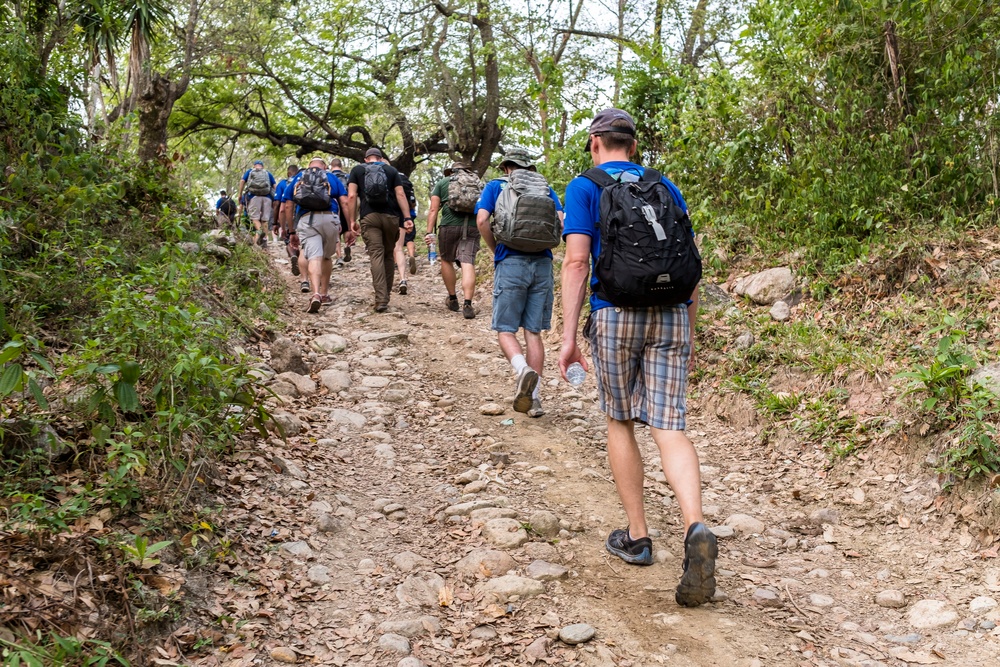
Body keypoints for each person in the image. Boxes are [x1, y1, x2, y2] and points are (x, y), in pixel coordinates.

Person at [558, 109, 716, 607]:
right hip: (671, 312)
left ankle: (638, 536)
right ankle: (695, 524)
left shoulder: (584, 186)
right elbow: (690, 261)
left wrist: (567, 336)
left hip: (616, 312)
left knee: (621, 420)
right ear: (633, 145)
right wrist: (687, 330)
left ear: (595, 143)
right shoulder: (664, 185)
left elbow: (578, 260)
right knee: (670, 425)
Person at [475, 147, 563, 417]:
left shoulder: (495, 186)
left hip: (510, 262)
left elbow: (481, 220)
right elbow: (561, 221)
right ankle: (534, 400)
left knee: (505, 328)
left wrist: (496, 250)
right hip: (542, 263)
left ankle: (522, 369)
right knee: (533, 332)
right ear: (530, 168)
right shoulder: (546, 189)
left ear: (506, 168)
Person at [346, 147, 413, 312]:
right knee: (389, 254)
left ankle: (381, 298)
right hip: (391, 218)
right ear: (381, 158)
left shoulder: (357, 170)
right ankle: (387, 295)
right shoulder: (391, 171)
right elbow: (401, 195)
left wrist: (352, 220)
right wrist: (407, 218)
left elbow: (352, 196)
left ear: (366, 158)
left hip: (369, 217)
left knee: (376, 254)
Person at [285, 157, 350, 312]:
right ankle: (324, 293)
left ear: (309, 166)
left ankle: (315, 294)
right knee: (326, 257)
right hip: (329, 217)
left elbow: (287, 206)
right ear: (325, 166)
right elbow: (345, 202)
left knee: (314, 257)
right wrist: (348, 226)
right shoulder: (332, 177)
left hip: (307, 220)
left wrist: (291, 230)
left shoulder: (299, 178)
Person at [425, 161, 482, 318]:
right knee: (467, 262)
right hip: (471, 228)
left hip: (448, 227)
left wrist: (429, 232)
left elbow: (433, 209)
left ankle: (452, 298)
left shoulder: (443, 183)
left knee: (446, 260)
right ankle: (468, 304)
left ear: (451, 171)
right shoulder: (478, 183)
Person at [275, 165, 310, 292]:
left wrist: (282, 227)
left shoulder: (286, 184)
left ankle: (296, 261)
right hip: (307, 216)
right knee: (307, 246)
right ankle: (312, 273)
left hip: (292, 218)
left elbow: (282, 208)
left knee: (292, 242)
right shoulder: (316, 180)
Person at [238, 160, 277, 247]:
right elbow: (275, 186)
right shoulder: (267, 173)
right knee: (265, 220)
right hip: (267, 198)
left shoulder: (250, 171)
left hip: (254, 197)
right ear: (262, 166)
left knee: (254, 219)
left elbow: (242, 181)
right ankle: (264, 241)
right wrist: (276, 198)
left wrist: (240, 194)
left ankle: (260, 232)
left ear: (254, 166)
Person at [392, 170, 419, 295]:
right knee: (403, 245)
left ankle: (392, 268)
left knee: (391, 247)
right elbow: (413, 203)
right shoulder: (407, 185)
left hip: (388, 216)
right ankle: (403, 278)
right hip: (406, 217)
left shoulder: (388, 179)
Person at [329, 158, 352, 264]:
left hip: (334, 206)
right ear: (341, 166)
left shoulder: (329, 177)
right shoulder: (347, 176)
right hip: (346, 205)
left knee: (336, 231)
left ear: (331, 166)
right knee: (347, 229)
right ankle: (347, 246)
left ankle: (339, 257)